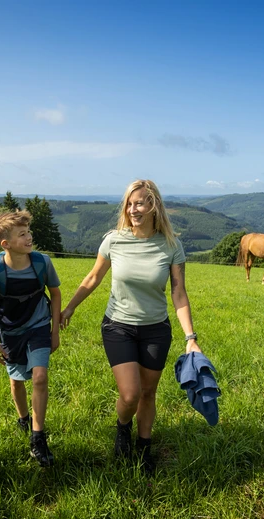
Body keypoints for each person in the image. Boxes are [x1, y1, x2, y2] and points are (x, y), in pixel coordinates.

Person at [60, 179, 201, 473]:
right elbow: (93, 278)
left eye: (139, 203)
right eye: (129, 203)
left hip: (156, 329)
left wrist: (191, 337)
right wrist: (70, 307)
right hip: (118, 326)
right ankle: (122, 426)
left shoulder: (171, 245)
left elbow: (178, 292)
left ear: (153, 206)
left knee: (149, 393)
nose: (133, 209)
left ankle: (143, 447)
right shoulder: (113, 240)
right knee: (130, 394)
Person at [0, 210, 61, 467]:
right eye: (22, 234)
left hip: (39, 326)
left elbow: (55, 294)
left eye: (29, 232)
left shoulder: (42, 263)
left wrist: (55, 330)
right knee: (16, 382)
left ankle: (38, 438)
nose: (29, 237)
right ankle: (23, 418)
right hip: (10, 332)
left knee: (39, 376)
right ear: (6, 244)